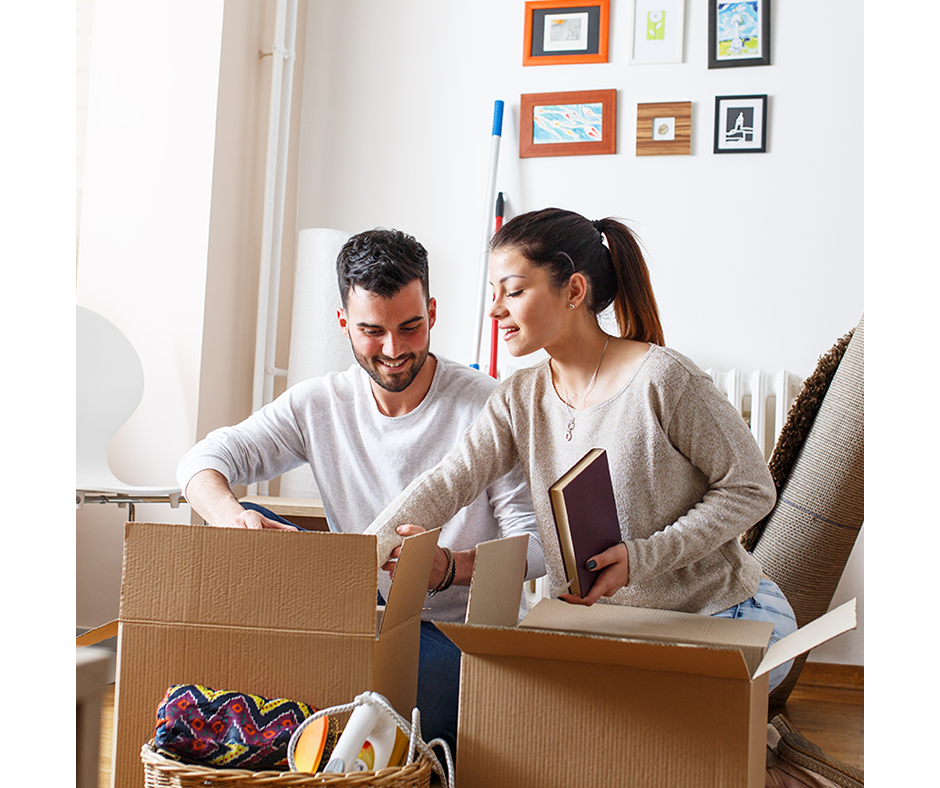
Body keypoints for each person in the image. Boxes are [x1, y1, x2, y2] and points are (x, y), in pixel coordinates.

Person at [367, 207, 797, 694]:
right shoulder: (518, 398)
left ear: (574, 291)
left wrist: (641, 558)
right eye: (493, 294)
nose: (494, 310)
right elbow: (451, 479)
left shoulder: (663, 379)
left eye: (513, 291)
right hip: (603, 628)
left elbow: (751, 488)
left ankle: (772, 757)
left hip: (720, 614)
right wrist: (361, 555)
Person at [177, 227, 546, 758]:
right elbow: (202, 461)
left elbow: (535, 545)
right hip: (350, 616)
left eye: (410, 327)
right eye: (373, 331)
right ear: (344, 324)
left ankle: (331, 719)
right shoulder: (319, 404)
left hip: (450, 632)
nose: (394, 350)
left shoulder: (489, 406)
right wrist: (232, 518)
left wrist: (449, 567)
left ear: (433, 313)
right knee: (245, 520)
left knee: (393, 716)